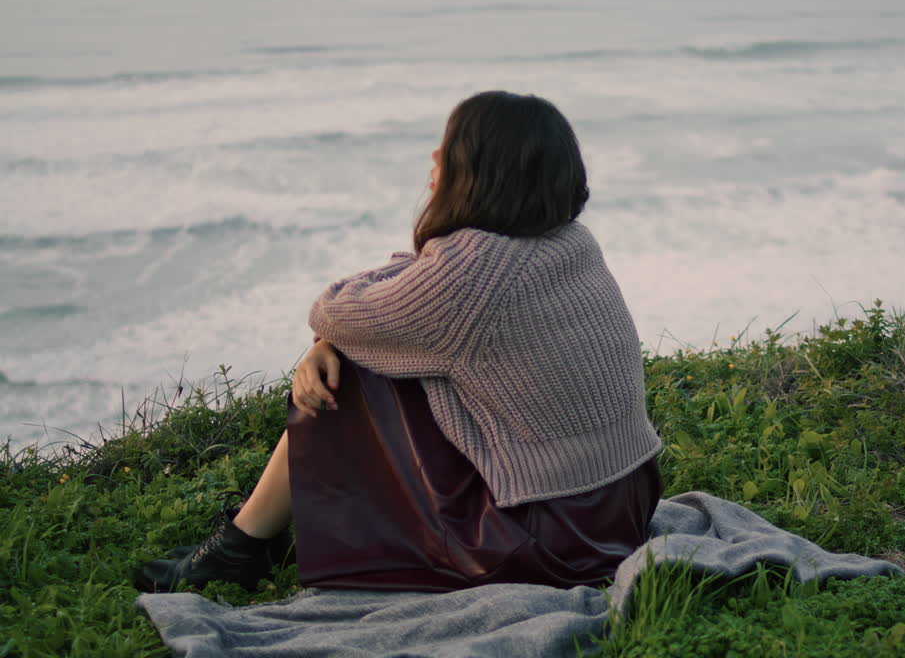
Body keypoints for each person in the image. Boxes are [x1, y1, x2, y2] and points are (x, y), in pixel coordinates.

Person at [135, 91, 664, 593]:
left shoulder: (471, 278)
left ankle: (243, 544)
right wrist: (333, 339)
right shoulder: (566, 240)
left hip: (553, 542)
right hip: (620, 511)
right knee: (366, 348)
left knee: (356, 372)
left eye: (451, 145)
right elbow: (403, 294)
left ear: (484, 172)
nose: (435, 155)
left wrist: (327, 343)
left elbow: (335, 309)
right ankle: (249, 539)